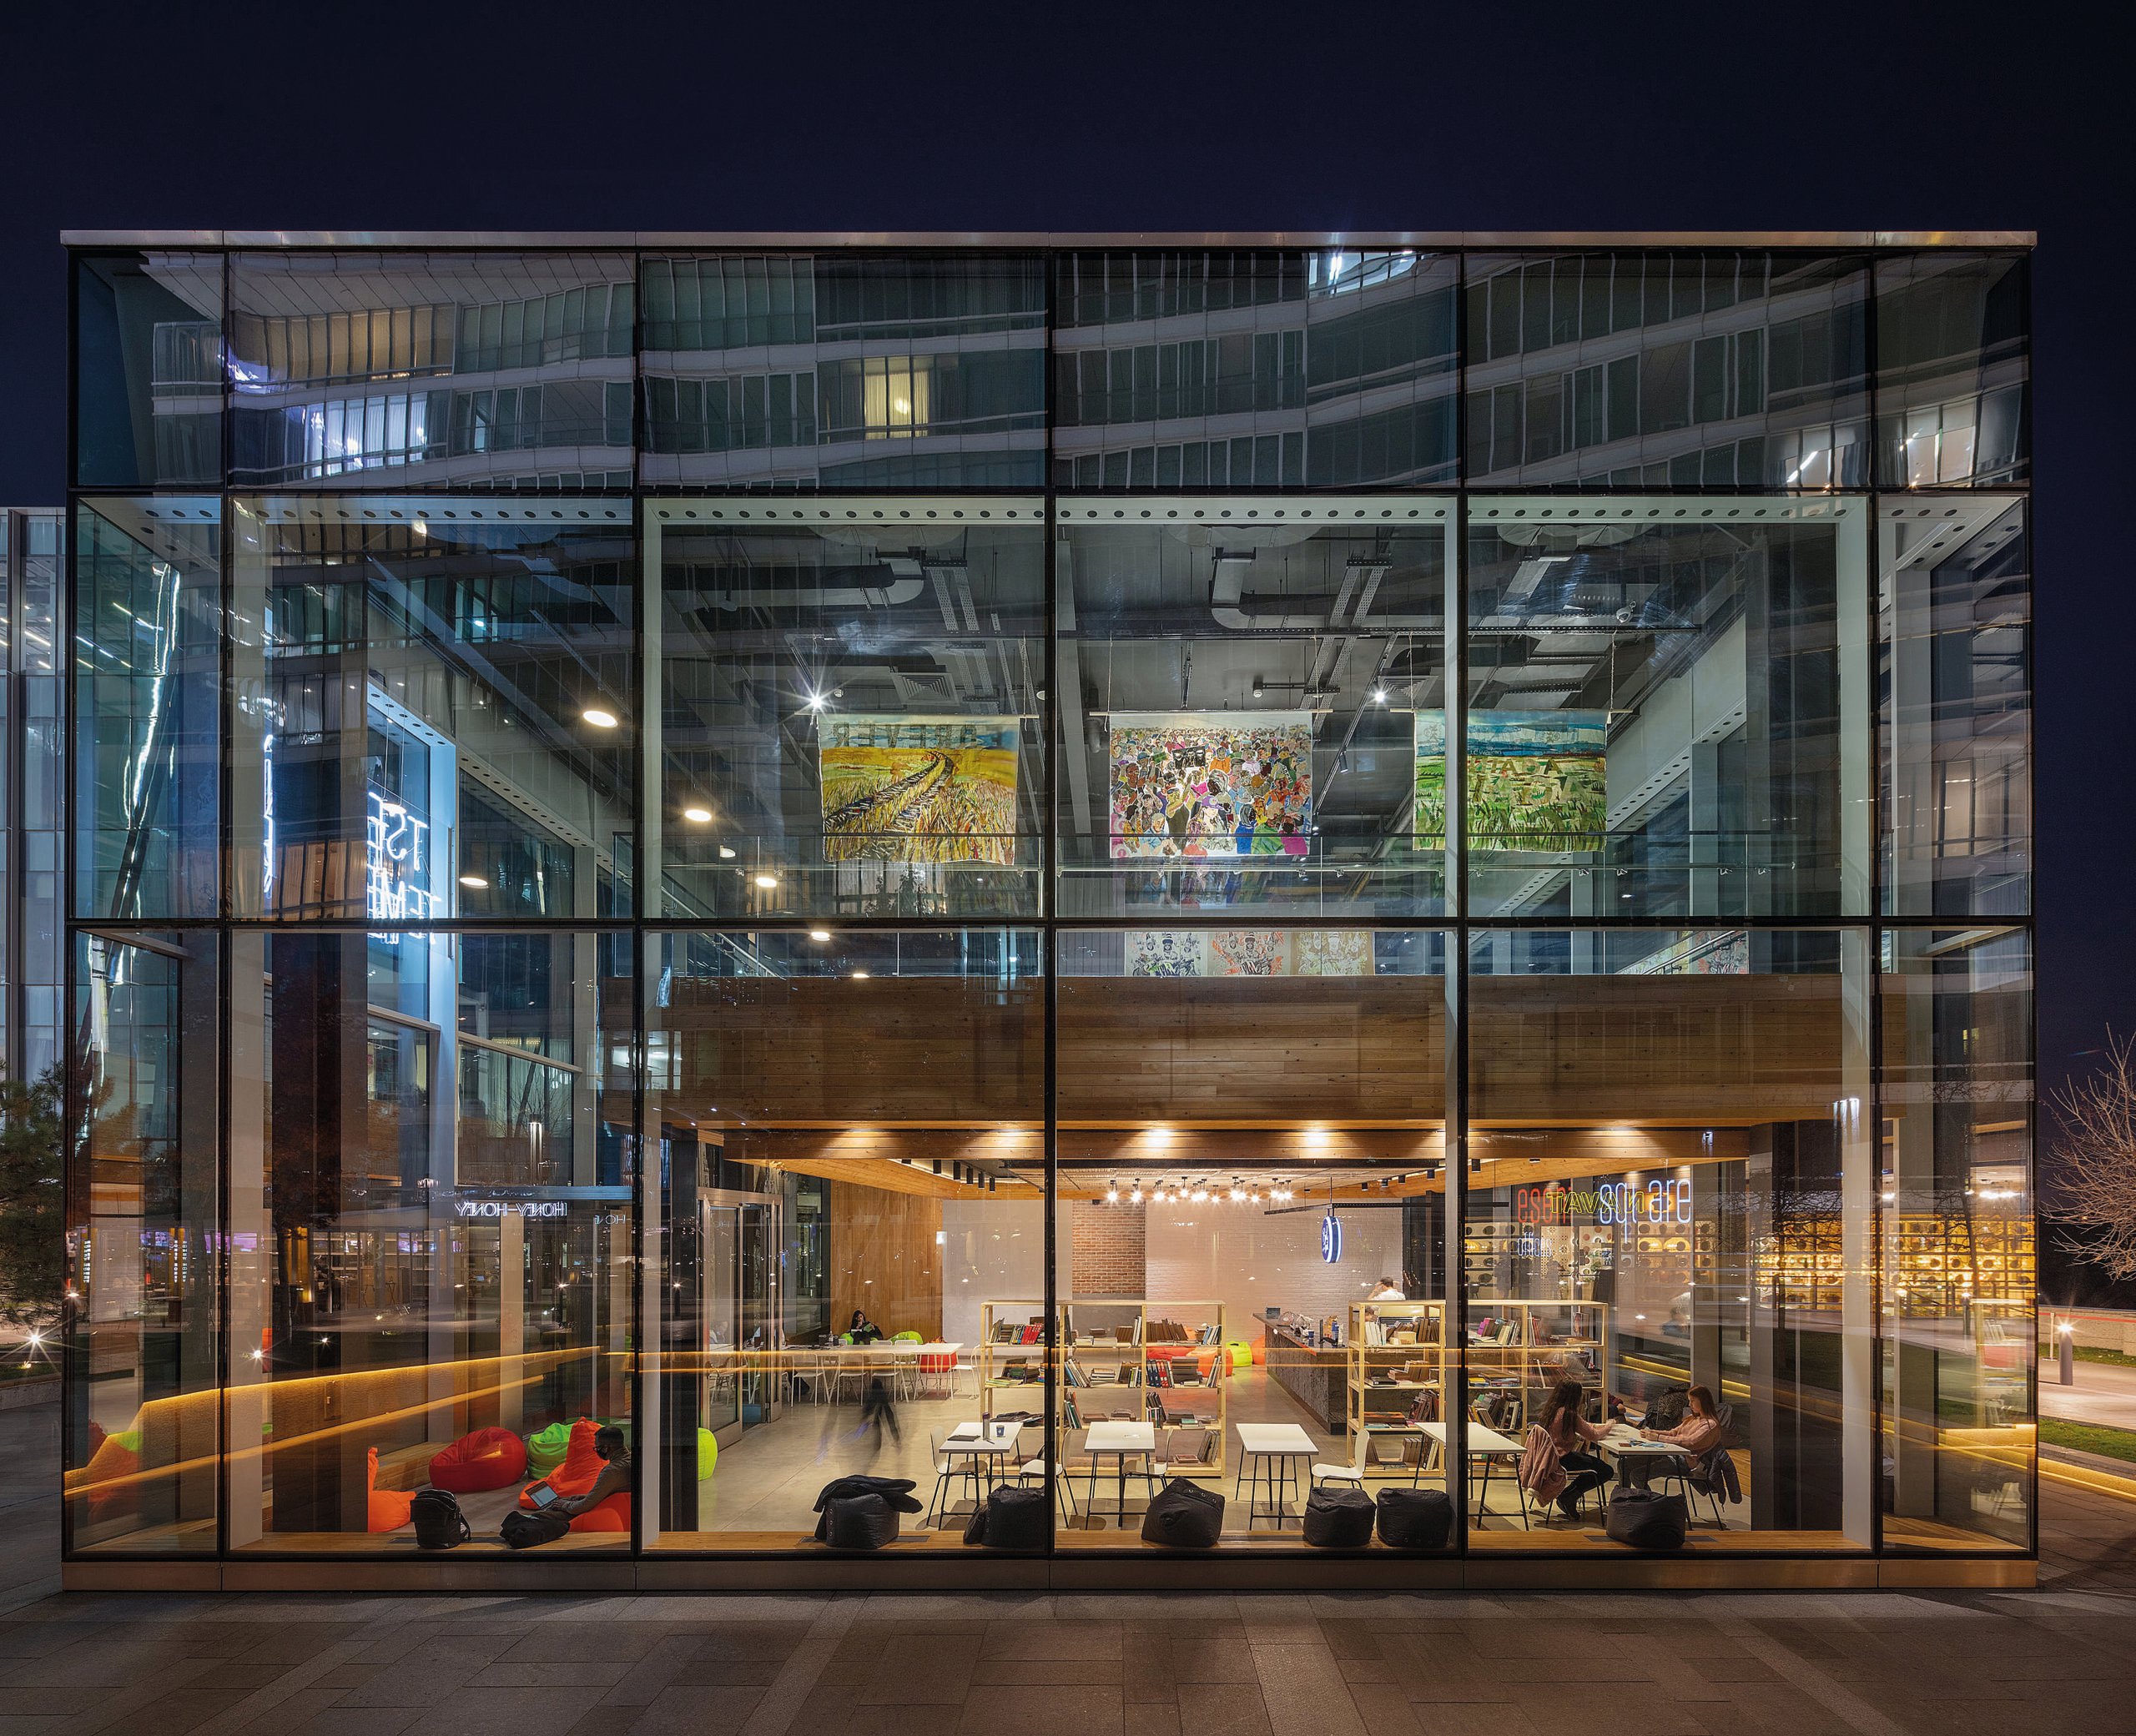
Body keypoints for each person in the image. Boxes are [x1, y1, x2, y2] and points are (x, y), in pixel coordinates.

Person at [1624, 1384, 1725, 1489]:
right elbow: (1673, 1433)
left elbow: (1689, 1442)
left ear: (1703, 1401)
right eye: (1689, 1401)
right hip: (1669, 1454)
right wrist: (1653, 1433)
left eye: (1693, 1401)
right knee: (1625, 1465)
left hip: (1683, 1462)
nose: (1690, 1404)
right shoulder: (1692, 1418)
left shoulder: (1710, 1425)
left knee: (1637, 1476)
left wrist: (1658, 1438)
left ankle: (1649, 1503)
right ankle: (1622, 1499)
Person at [1537, 1378, 1612, 1518]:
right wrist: (1609, 1425)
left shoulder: (1550, 1410)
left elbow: (1582, 1426)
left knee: (1594, 1466)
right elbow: (1593, 1435)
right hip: (1563, 1459)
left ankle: (1568, 1495)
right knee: (1606, 1471)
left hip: (1549, 1457)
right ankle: (1569, 1495)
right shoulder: (1569, 1414)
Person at [549, 1425, 632, 1518]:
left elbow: (583, 1507)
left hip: (606, 1514)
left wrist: (564, 1505)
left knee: (546, 1515)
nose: (596, 1451)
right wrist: (587, 1497)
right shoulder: (632, 1459)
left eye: (597, 1448)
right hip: (620, 1509)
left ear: (606, 1448)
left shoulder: (612, 1471)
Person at [858, 1374, 901, 1461]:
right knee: (889, 1419)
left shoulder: (871, 1398)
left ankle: (878, 1444)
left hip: (875, 1398)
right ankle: (896, 1439)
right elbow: (890, 1417)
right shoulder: (883, 1398)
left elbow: (867, 1408)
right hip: (882, 1399)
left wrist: (864, 1418)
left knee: (877, 1423)